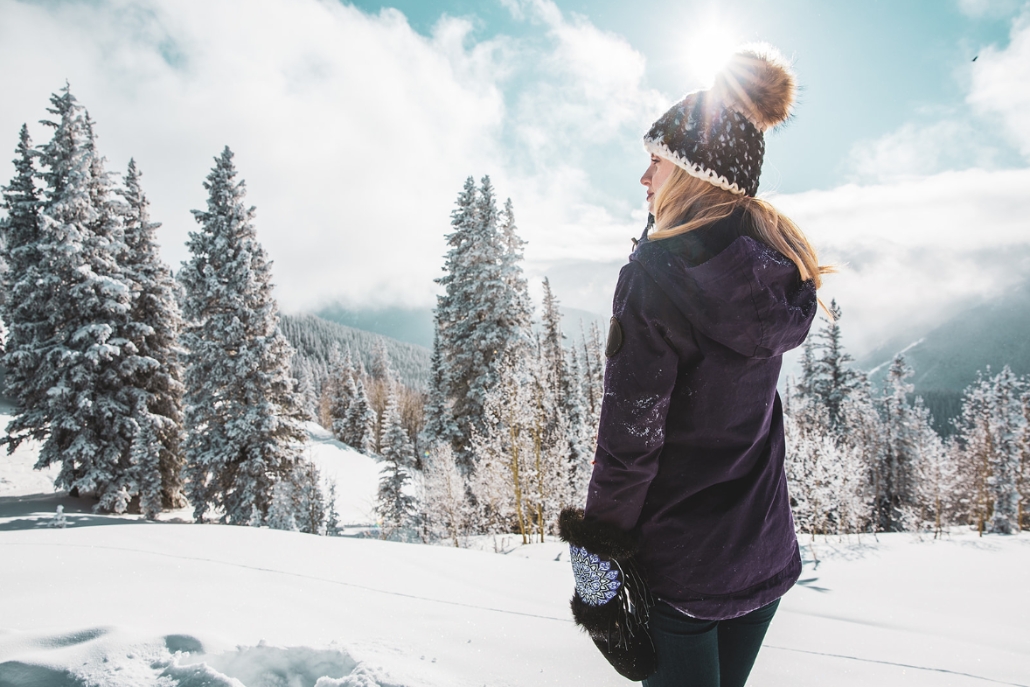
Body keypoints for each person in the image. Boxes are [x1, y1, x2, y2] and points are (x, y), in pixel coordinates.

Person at [558, 45, 831, 686]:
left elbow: (631, 439)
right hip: (762, 551)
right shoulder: (773, 267)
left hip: (684, 566)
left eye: (656, 162)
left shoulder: (656, 279)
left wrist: (597, 554)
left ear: (691, 173)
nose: (644, 178)